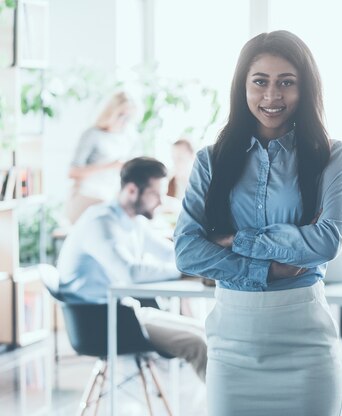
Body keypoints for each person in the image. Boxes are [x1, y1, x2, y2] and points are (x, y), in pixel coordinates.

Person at [174, 30, 342, 416]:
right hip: (231, 350)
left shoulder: (331, 157)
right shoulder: (211, 160)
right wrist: (268, 266)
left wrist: (234, 239)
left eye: (286, 83)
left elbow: (326, 243)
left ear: (305, 89)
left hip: (306, 349)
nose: (272, 96)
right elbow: (187, 251)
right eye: (260, 82)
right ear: (242, 87)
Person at [57, 157, 207, 381]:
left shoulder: (134, 221)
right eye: (156, 194)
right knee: (198, 345)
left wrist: (204, 259)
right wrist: (182, 271)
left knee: (204, 332)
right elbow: (130, 273)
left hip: (124, 313)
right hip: (98, 324)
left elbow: (172, 253)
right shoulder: (101, 222)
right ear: (131, 190)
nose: (160, 202)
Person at [66, 91, 137, 224]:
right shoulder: (93, 135)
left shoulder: (127, 138)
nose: (124, 121)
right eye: (121, 115)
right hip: (86, 196)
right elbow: (72, 172)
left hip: (109, 196)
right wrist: (111, 165)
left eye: (128, 117)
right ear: (111, 112)